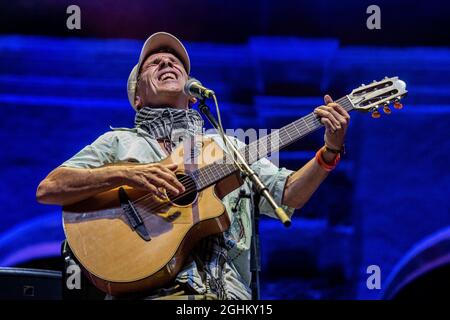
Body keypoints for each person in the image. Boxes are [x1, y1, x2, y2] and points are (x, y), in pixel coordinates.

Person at [36, 32, 350, 300]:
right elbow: (50, 188)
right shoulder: (118, 143)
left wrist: (330, 149)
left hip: (230, 295)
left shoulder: (228, 147)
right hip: (150, 292)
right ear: (137, 98)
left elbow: (289, 193)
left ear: (191, 94)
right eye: (154, 63)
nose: (167, 63)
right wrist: (128, 173)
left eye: (175, 62)